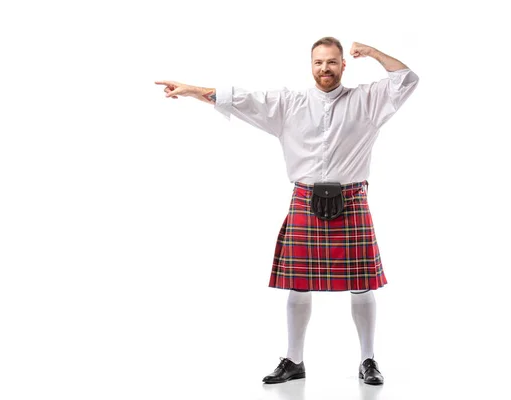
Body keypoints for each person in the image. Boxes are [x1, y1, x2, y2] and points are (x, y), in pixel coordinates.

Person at [155, 37, 419, 385]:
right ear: (311, 65)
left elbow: (406, 80)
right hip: (304, 200)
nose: (325, 68)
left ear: (343, 65)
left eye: (332, 62)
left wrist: (372, 52)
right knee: (298, 284)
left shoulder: (367, 101)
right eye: (318, 62)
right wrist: (193, 91)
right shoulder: (289, 104)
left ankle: (368, 360)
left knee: (362, 283)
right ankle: (294, 360)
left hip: (352, 200)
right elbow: (241, 99)